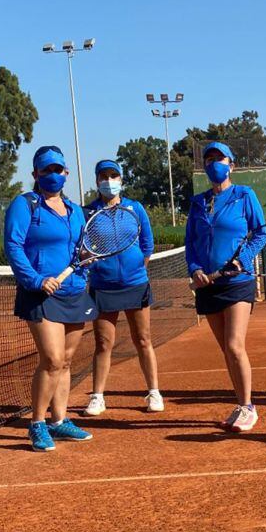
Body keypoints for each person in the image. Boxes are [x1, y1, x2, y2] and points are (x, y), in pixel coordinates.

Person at [3, 145, 97, 452]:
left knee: (67, 361)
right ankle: (37, 424)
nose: (53, 175)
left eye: (58, 170)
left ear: (66, 173)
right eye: (47, 170)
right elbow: (14, 246)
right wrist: (35, 279)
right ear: (36, 174)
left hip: (73, 291)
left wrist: (84, 258)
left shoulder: (75, 211)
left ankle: (59, 421)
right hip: (40, 294)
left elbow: (78, 249)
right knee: (52, 359)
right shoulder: (24, 204)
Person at [185, 141, 266, 433]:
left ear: (231, 164)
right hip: (207, 287)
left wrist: (242, 260)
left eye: (219, 158)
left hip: (237, 282)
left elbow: (260, 234)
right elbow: (191, 244)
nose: (213, 164)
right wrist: (195, 270)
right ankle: (240, 403)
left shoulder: (244, 195)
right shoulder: (197, 202)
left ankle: (248, 407)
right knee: (226, 351)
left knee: (234, 346)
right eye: (208, 159)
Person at [82, 159, 163, 417]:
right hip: (102, 287)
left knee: (143, 339)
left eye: (113, 175)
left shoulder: (135, 208)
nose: (109, 180)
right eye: (104, 176)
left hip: (135, 284)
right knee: (104, 343)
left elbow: (147, 245)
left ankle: (153, 392)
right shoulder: (87, 213)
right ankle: (97, 397)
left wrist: (136, 269)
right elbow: (82, 250)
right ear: (97, 181)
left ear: (121, 179)